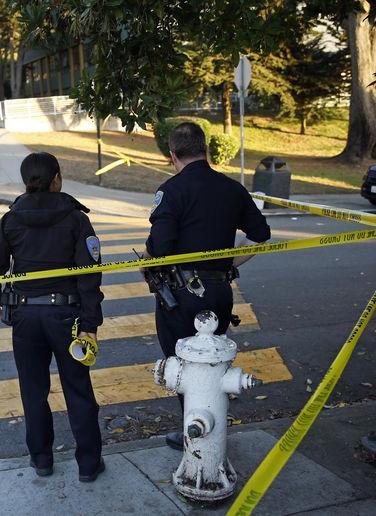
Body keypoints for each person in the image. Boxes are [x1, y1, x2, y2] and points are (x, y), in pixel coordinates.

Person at [0, 152, 106, 482]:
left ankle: (42, 460)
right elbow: (89, 276)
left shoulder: (10, 219)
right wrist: (90, 325)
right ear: (57, 178)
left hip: (25, 317)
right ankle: (89, 465)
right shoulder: (77, 219)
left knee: (33, 391)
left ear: (26, 181)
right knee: (78, 389)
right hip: (68, 317)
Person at [144, 122, 271, 451]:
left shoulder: (172, 191)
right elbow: (259, 235)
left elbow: (159, 247)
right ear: (207, 150)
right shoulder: (231, 188)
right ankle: (211, 429)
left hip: (179, 295)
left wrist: (149, 260)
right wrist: (229, 265)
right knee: (213, 363)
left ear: (173, 155)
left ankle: (195, 436)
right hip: (219, 291)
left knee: (183, 366)